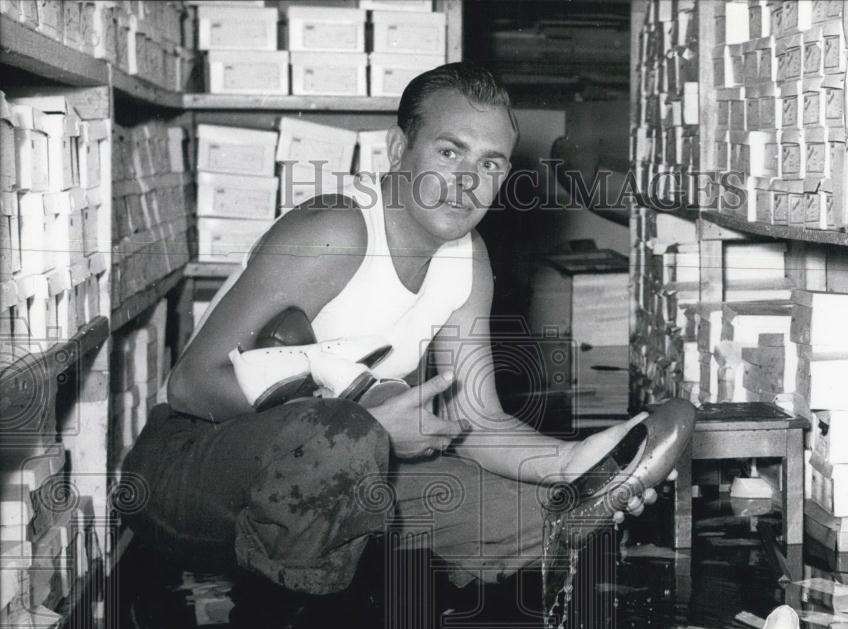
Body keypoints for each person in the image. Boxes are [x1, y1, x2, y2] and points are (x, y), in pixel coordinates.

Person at [122, 62, 661, 596]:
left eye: (490, 164)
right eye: (450, 152)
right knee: (347, 440)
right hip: (187, 467)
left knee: (537, 517)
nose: (468, 183)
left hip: (342, 465)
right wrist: (368, 423)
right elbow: (190, 384)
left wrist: (573, 461)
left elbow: (475, 418)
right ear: (399, 149)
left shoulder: (466, 259)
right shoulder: (335, 230)